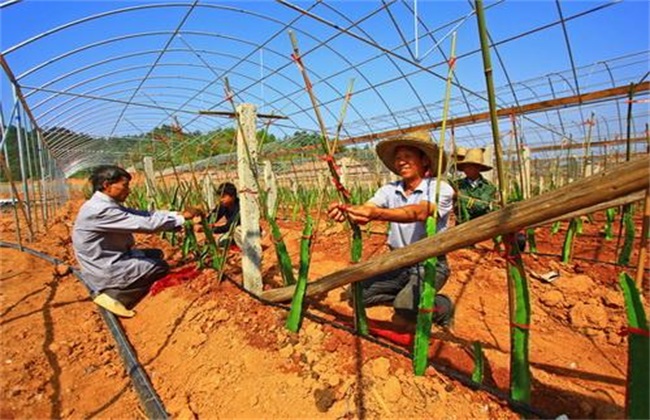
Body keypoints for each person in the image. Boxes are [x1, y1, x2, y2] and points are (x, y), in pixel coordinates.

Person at [328, 130, 455, 327]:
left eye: (407, 157)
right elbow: (368, 210)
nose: (401, 161)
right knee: (356, 295)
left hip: (429, 264)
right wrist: (348, 211)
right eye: (398, 158)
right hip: (397, 262)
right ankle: (407, 295)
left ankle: (442, 306)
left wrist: (375, 214)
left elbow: (420, 212)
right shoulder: (389, 190)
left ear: (425, 161)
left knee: (404, 309)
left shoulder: (440, 189)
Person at [72, 165, 201, 318]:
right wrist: (182, 218)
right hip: (105, 267)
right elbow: (146, 225)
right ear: (107, 186)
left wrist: (176, 214)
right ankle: (115, 296)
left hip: (108, 257)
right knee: (160, 267)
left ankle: (121, 284)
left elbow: (144, 214)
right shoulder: (100, 210)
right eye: (125, 186)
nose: (129, 190)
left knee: (156, 253)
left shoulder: (104, 204)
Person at [453, 148, 526, 251]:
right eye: (465, 167)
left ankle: (505, 244)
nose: (466, 170)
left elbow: (481, 206)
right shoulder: (457, 184)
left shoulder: (489, 187)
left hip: (483, 223)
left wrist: (462, 199)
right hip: (461, 226)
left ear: (478, 168)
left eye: (469, 167)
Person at [208, 182, 242, 248]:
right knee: (219, 242)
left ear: (232, 196)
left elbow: (228, 227)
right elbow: (212, 218)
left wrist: (212, 229)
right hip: (233, 233)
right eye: (220, 197)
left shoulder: (240, 207)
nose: (221, 200)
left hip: (242, 232)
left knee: (237, 230)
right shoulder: (223, 206)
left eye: (223, 197)